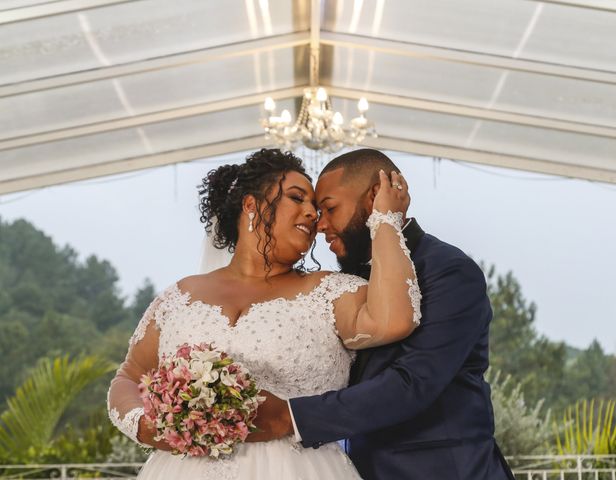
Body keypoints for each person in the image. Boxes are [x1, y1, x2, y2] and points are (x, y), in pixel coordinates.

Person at [107, 148, 421, 479]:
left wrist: (384, 219)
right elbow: (130, 375)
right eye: (297, 198)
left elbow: (395, 320)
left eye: (314, 206)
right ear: (251, 205)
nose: (313, 214)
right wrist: (144, 426)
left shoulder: (332, 292)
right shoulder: (180, 296)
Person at [249, 149, 515, 480]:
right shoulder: (349, 283)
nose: (321, 225)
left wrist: (290, 417)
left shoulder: (449, 270)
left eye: (330, 208)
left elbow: (413, 383)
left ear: (376, 195)